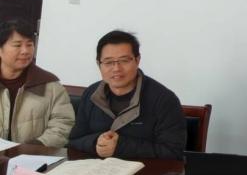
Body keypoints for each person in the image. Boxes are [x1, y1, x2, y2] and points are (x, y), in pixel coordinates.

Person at [69, 30, 186, 159]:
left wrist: (119, 146)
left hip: (146, 171)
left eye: (124, 60)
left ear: (137, 60)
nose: (116, 68)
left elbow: (173, 152)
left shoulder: (164, 100)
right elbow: (74, 140)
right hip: (97, 169)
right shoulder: (91, 94)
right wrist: (96, 143)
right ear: (99, 64)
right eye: (108, 62)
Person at [0, 18, 75, 147]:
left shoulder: (50, 84)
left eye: (29, 45)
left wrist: (36, 146)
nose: (25, 51)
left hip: (33, 156)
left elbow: (63, 123)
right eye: (17, 45)